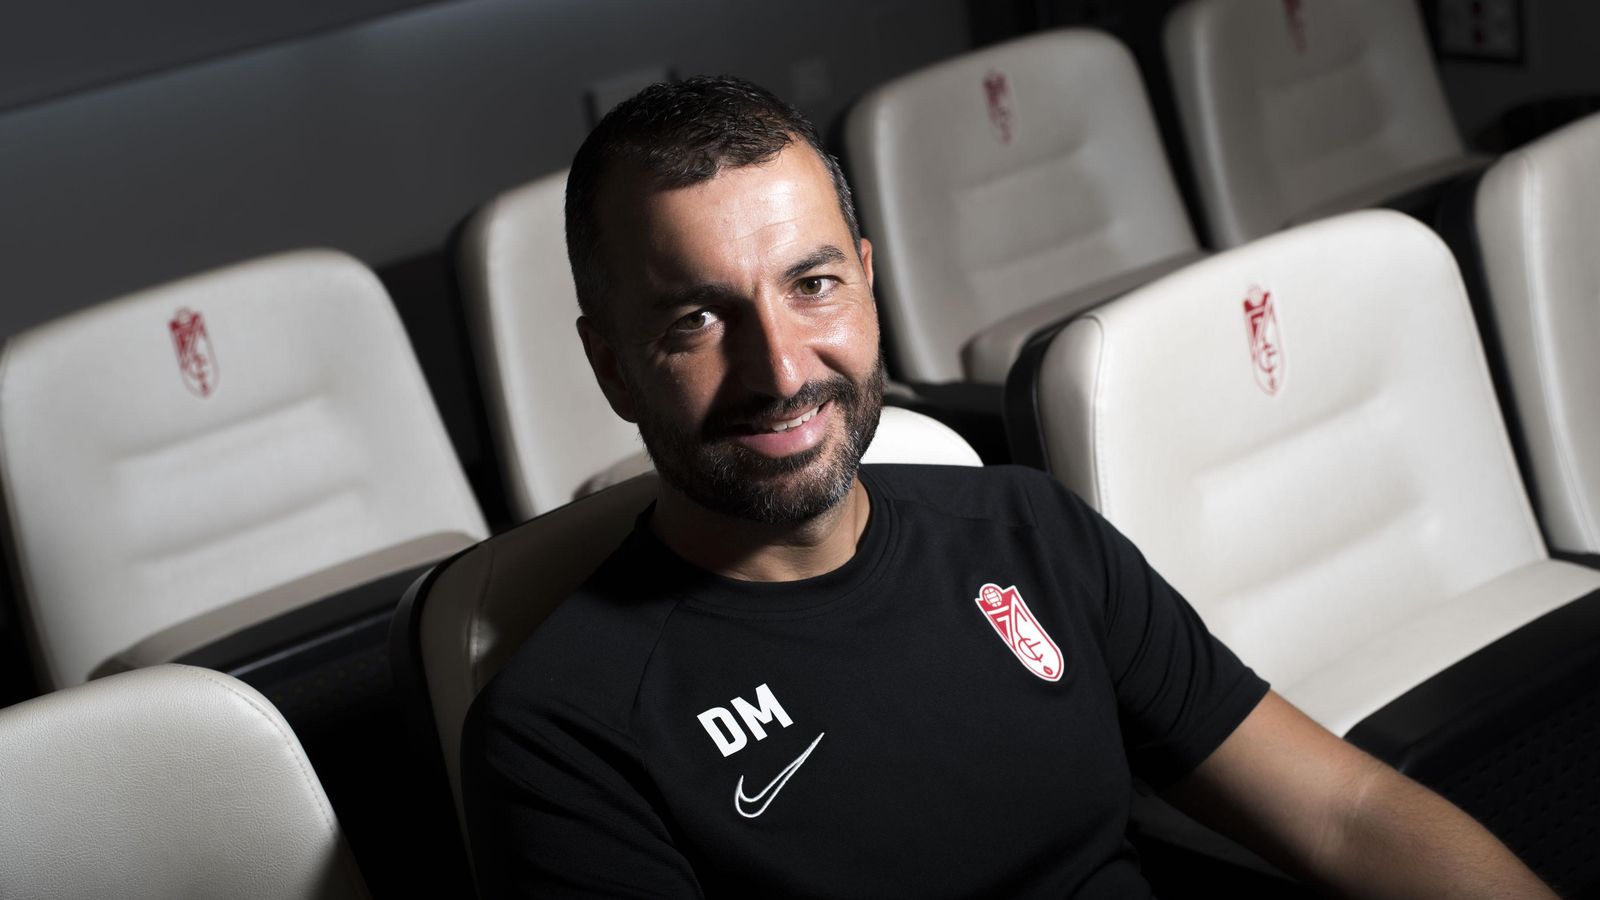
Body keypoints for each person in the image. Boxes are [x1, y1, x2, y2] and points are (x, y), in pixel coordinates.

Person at [461, 76, 1553, 898]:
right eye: (696, 319)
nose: (783, 369)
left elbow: (1349, 811)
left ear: (870, 285)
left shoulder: (1026, 530)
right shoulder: (566, 731)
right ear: (610, 365)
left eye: (813, 285)